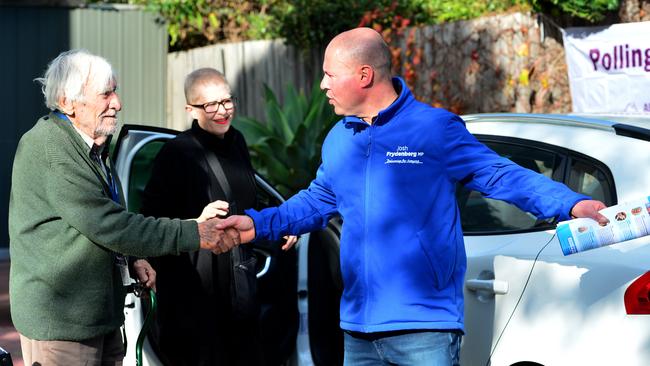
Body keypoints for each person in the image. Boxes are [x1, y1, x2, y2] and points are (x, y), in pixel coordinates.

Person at [217, 27, 610, 366]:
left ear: (364, 75)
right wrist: (256, 223)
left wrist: (571, 203)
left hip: (425, 327)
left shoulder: (433, 128)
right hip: (356, 328)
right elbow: (319, 199)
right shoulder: (340, 138)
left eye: (329, 75)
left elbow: (497, 173)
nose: (322, 85)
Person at [8, 49, 241, 366]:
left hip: (98, 319)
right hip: (64, 327)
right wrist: (195, 232)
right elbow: (111, 224)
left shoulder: (89, 146)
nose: (117, 102)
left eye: (114, 91)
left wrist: (132, 259)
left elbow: (100, 219)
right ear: (67, 102)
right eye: (106, 94)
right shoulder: (51, 147)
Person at [140, 68, 296, 366]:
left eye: (227, 101)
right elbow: (149, 221)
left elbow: (248, 200)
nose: (222, 111)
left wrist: (282, 221)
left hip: (239, 285)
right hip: (194, 293)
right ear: (190, 109)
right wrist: (195, 221)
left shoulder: (236, 142)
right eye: (210, 105)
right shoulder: (177, 153)